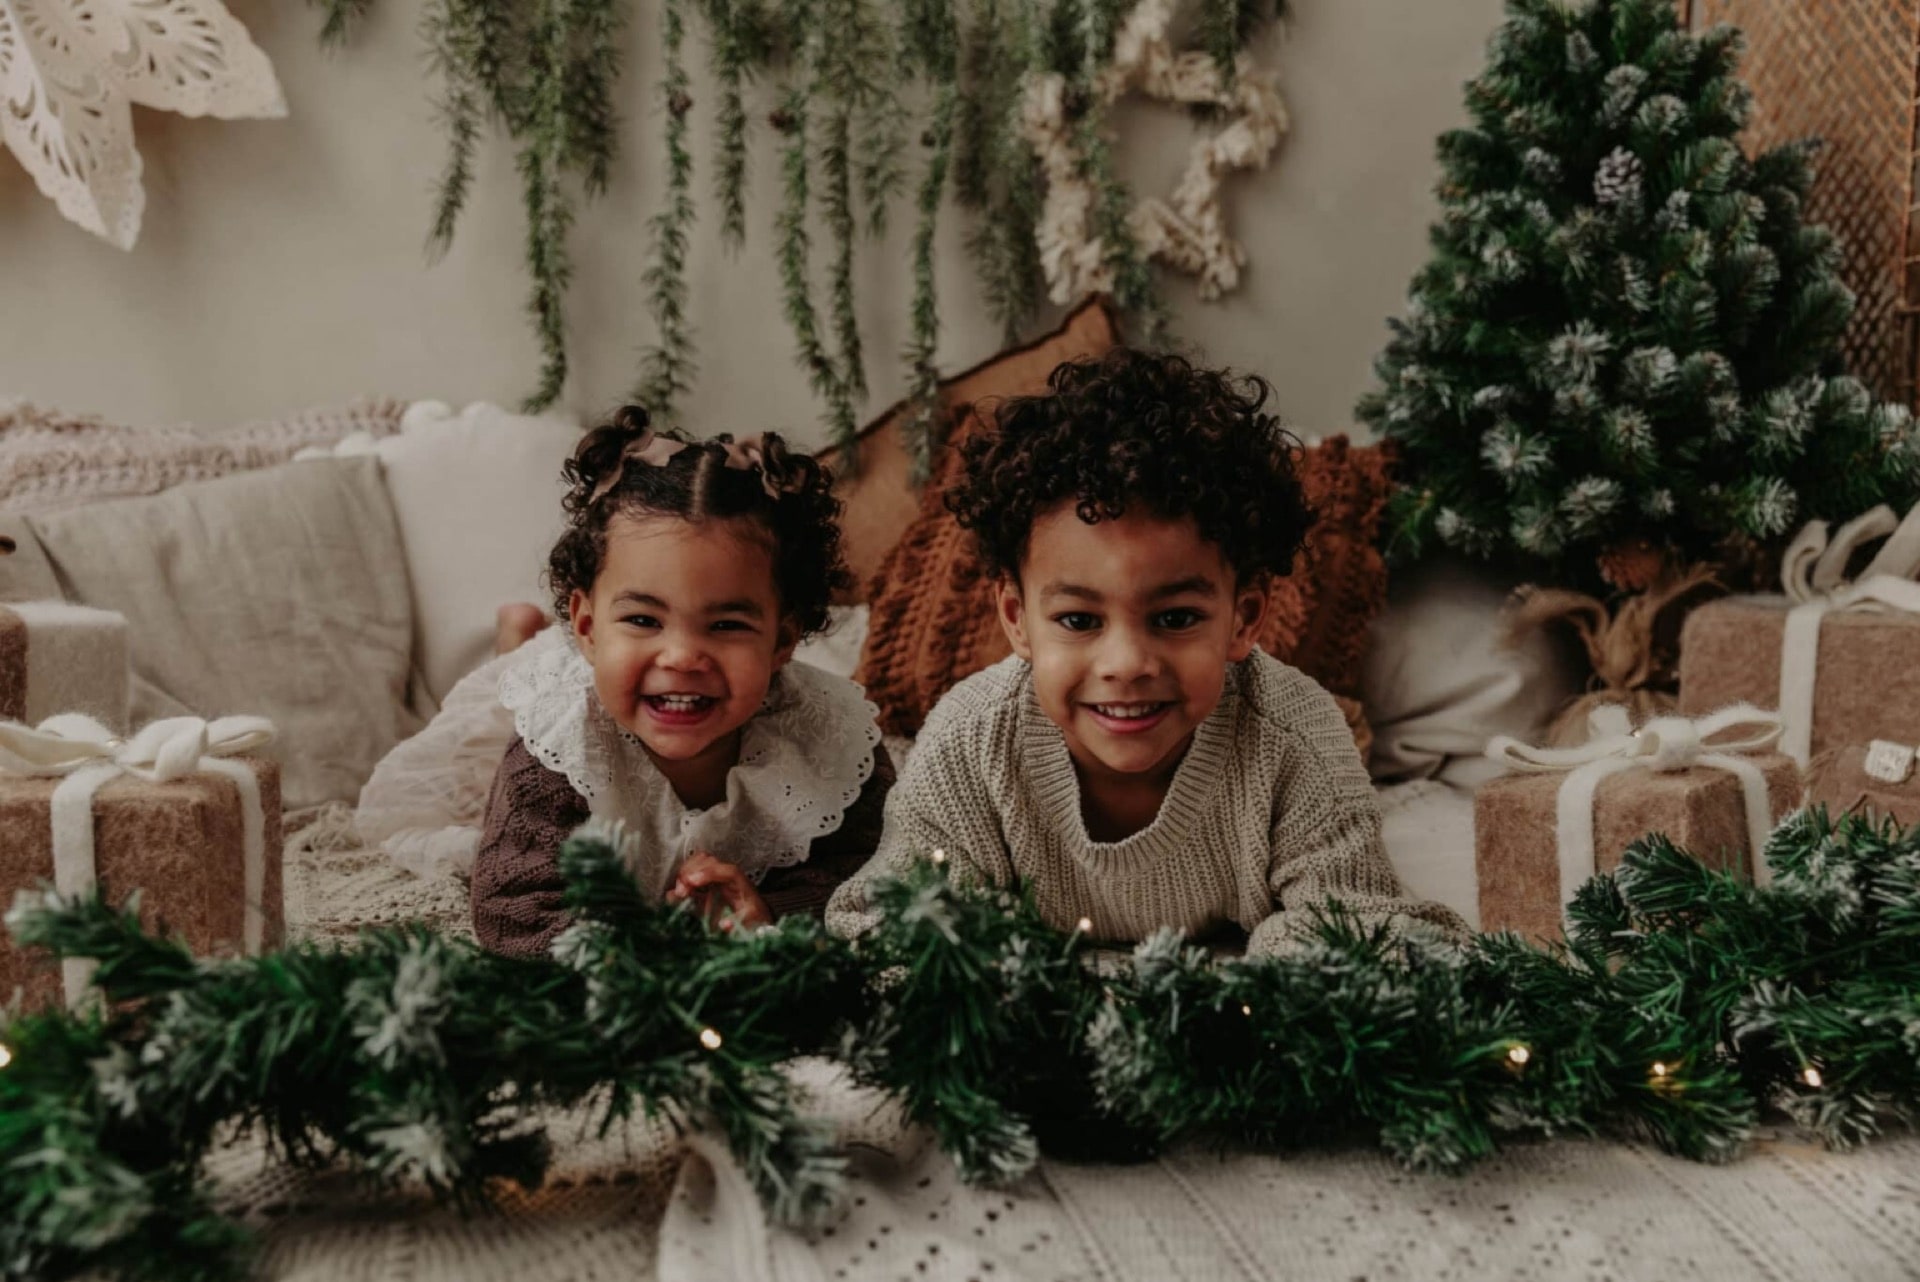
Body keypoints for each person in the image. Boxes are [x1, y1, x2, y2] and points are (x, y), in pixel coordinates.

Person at [826, 349, 1465, 955]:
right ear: (1018, 620)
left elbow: (1356, 936)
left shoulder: (1296, 739)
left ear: (1244, 618)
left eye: (1176, 617)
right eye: (1078, 619)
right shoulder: (969, 745)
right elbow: (890, 933)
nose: (1127, 662)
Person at [469, 406, 893, 958]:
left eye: (727, 625)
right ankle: (517, 637)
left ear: (783, 640)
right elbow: (508, 907)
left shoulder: (830, 742)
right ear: (589, 627)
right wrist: (651, 948)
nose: (684, 656)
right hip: (551, 709)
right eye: (644, 620)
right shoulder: (555, 746)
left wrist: (771, 913)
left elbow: (874, 871)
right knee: (472, 748)